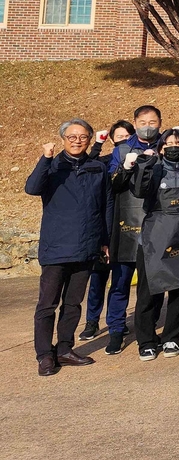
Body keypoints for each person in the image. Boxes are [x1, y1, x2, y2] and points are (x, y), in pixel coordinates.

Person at [26, 119, 111, 377]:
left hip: (86, 246)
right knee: (47, 305)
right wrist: (45, 157)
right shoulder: (51, 167)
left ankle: (64, 348)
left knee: (73, 303)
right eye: (71, 136)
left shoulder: (97, 167)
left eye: (82, 136)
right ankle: (44, 355)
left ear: (90, 139)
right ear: (63, 139)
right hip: (55, 248)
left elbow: (106, 205)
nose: (77, 141)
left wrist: (105, 241)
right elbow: (32, 188)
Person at [129, 128, 179, 360]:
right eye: (169, 143)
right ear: (161, 148)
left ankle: (172, 337)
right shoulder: (154, 167)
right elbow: (139, 190)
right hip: (153, 235)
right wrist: (144, 165)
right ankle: (147, 341)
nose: (174, 147)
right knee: (148, 291)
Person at [103, 104, 165, 355]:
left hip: (156, 221)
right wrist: (125, 167)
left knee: (154, 285)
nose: (148, 126)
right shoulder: (122, 149)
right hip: (126, 223)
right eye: (143, 121)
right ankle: (116, 330)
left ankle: (148, 330)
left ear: (160, 122)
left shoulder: (166, 145)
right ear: (135, 122)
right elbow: (110, 186)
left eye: (153, 122)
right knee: (120, 282)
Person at [79, 120, 132, 343]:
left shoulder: (138, 160)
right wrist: (97, 146)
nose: (122, 140)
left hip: (127, 229)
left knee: (120, 282)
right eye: (117, 137)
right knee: (98, 279)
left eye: (126, 137)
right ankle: (92, 321)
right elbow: (84, 167)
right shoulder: (104, 162)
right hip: (105, 226)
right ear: (111, 139)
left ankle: (115, 324)